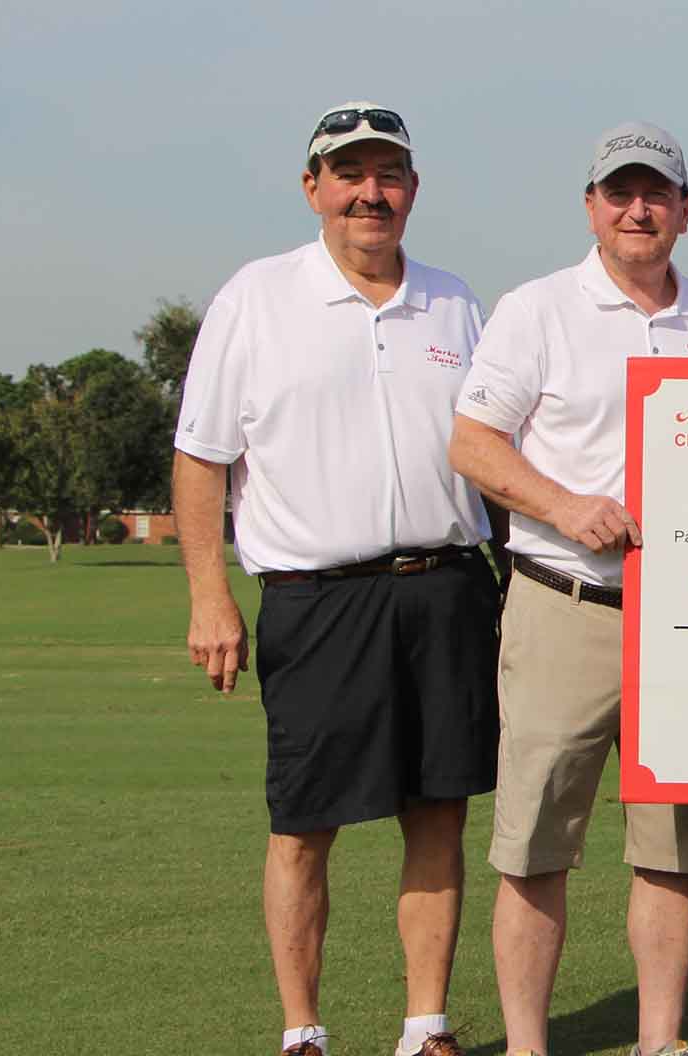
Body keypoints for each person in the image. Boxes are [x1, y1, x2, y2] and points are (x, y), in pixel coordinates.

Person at [173, 101, 499, 1056]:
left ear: (412, 188)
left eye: (388, 174)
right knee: (305, 822)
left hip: (446, 587)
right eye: (349, 174)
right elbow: (200, 456)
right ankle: (302, 1030)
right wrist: (207, 595)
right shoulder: (256, 297)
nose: (371, 192)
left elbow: (491, 449)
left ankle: (425, 1025)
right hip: (317, 599)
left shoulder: (455, 301)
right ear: (314, 187)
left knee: (437, 809)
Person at [448, 122, 688, 1056]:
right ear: (591, 206)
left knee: (672, 851)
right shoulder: (536, 308)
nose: (637, 208)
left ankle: (662, 1042)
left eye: (656, 193)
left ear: (685, 211)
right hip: (562, 599)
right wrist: (566, 506)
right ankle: (529, 1046)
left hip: (677, 623)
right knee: (535, 846)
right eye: (619, 192)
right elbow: (472, 443)